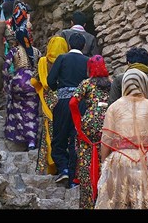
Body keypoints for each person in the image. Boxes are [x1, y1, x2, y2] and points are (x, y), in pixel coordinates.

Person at [94, 69, 148, 209]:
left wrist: (105, 162)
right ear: (145, 84)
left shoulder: (114, 107)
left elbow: (106, 140)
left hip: (119, 160)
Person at [69, 54, 111, 209]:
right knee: (107, 163)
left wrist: (78, 124)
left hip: (89, 126)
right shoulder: (112, 83)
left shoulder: (86, 83)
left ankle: (87, 203)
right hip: (109, 126)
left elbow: (73, 103)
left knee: (86, 164)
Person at [47, 33, 89, 188]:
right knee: (76, 139)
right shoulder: (87, 61)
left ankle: (63, 168)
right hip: (81, 104)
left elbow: (51, 80)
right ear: (83, 46)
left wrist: (59, 90)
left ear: (69, 45)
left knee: (59, 137)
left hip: (64, 102)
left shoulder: (62, 59)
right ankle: (74, 177)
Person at [3, 6, 42, 151]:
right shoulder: (36, 52)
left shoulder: (14, 51)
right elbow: (41, 68)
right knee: (31, 111)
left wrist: (7, 84)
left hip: (18, 82)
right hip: (33, 83)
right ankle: (32, 140)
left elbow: (5, 68)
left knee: (17, 109)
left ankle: (19, 137)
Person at [30, 36, 69, 174]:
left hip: (48, 99)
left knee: (49, 129)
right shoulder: (66, 61)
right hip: (64, 100)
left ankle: (50, 165)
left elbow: (34, 81)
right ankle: (66, 164)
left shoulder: (43, 62)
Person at [108, 47, 148, 124]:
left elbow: (111, 108)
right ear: (147, 63)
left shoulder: (119, 80)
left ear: (128, 63)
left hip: (124, 129)